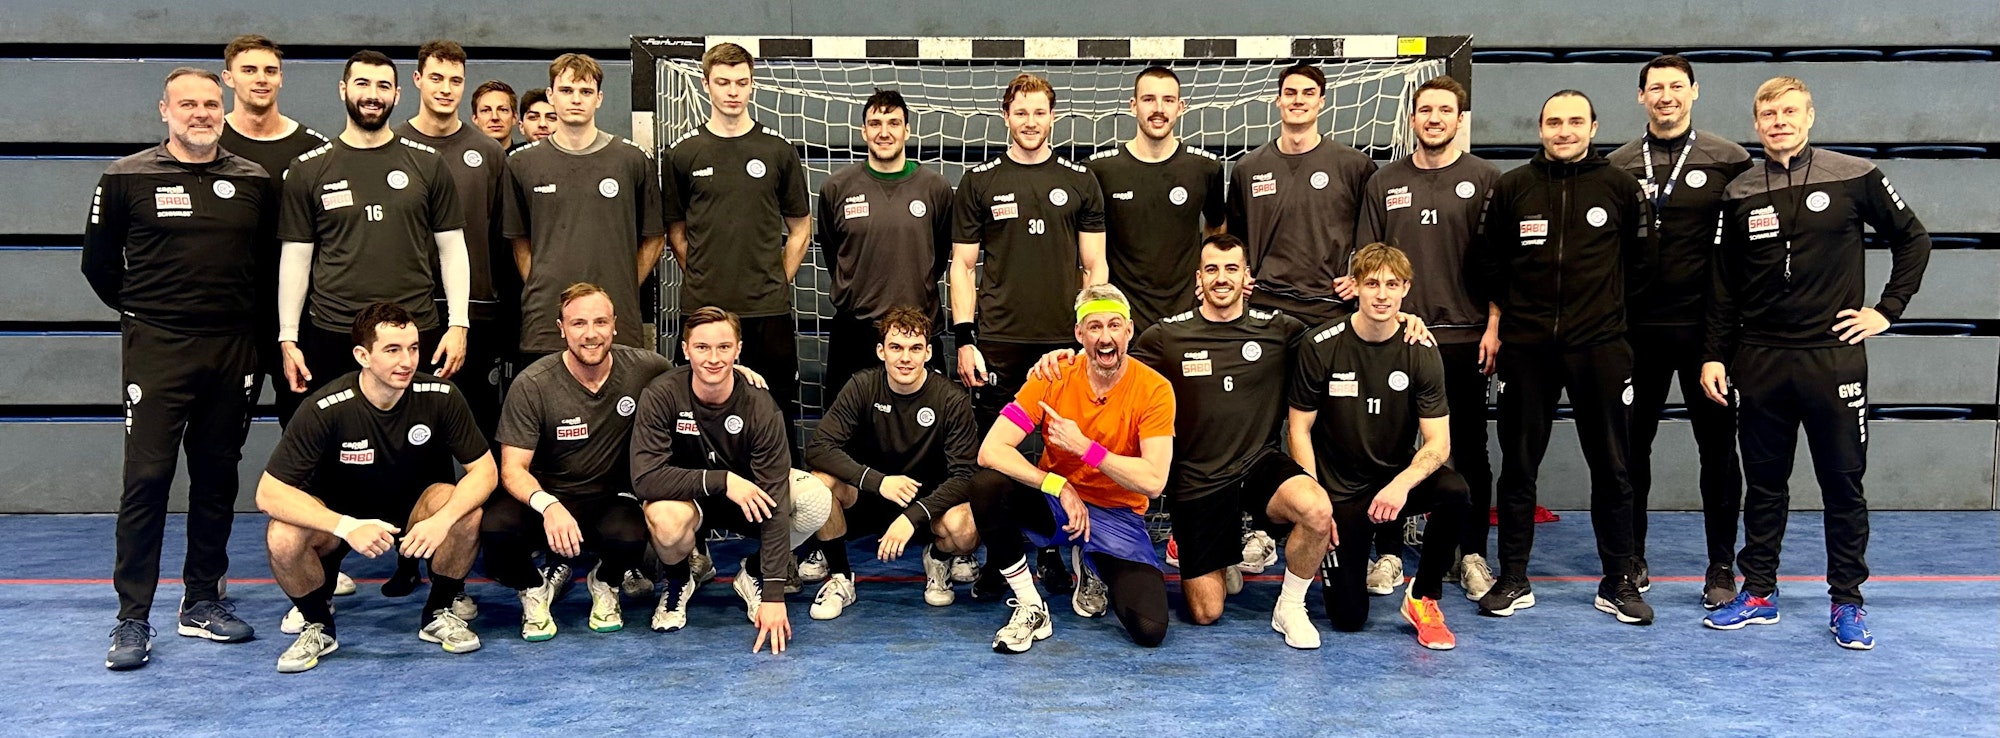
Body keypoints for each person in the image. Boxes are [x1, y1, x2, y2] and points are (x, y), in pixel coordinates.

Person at [1700, 76, 1930, 650]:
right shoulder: (1740, 190)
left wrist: (1886, 310)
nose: (1779, 121)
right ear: (1756, 123)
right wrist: (1713, 354)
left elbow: (1913, 238)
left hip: (1833, 361)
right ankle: (1758, 593)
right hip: (1761, 360)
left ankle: (1847, 601)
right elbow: (1724, 286)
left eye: (1789, 111)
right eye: (1768, 113)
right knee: (1765, 485)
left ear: (1810, 117)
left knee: (1843, 484)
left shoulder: (1854, 176)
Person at [1032, 235, 1346, 649]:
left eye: (1232, 268)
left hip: (1259, 465)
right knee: (1206, 612)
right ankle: (1215, 554)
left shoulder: (1278, 329)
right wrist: (1061, 356)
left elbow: (1342, 336)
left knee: (1316, 507)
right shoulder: (1169, 336)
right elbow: (1110, 356)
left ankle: (1290, 606)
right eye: (1212, 269)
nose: (1222, 278)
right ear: (1199, 278)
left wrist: (1406, 321)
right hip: (1199, 479)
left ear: (1246, 277)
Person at [87, 67, 276, 670]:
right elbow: (98, 266)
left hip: (233, 350)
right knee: (146, 479)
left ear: (222, 109)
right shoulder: (125, 178)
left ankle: (201, 601)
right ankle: (132, 618)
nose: (201, 113)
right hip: (158, 349)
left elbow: (270, 266)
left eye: (209, 104)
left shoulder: (253, 180)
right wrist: (153, 314)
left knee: (218, 477)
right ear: (163, 109)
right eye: (187, 104)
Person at [1468, 90, 1653, 625]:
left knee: (1614, 466)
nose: (1564, 130)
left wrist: (1605, 316)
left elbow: (1644, 265)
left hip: (1601, 348)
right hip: (1527, 350)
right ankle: (1514, 577)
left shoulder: (1620, 187)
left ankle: (1618, 580)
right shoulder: (1513, 188)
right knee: (1520, 466)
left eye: (1575, 121)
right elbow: (1484, 263)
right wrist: (1516, 316)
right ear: (1541, 128)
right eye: (1553, 122)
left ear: (1593, 127)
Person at [257, 302, 497, 673]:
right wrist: (346, 526)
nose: (406, 361)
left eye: (413, 348)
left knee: (464, 509)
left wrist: (442, 520)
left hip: (415, 515)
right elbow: (269, 493)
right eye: (392, 350)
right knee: (283, 534)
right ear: (362, 355)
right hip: (340, 522)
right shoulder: (324, 407)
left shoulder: (442, 396)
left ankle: (439, 611)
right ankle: (317, 623)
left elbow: (485, 471)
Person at [1605, 55, 1752, 606]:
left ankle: (1720, 567)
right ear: (1640, 97)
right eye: (1654, 88)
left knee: (1717, 450)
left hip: (1707, 335)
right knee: (1630, 452)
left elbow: (1744, 252)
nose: (1665, 96)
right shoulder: (1618, 165)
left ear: (1694, 92)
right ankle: (1631, 558)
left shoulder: (1729, 160)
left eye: (1675, 86)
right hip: (1635, 334)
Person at [1355, 75, 1502, 601]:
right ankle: (1390, 554)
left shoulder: (1486, 179)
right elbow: (1368, 263)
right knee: (1390, 446)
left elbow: (1500, 264)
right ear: (1412, 119)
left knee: (1468, 448)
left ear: (1460, 120)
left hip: (1465, 336)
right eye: (1425, 110)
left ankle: (1473, 554)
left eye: (1445, 110)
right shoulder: (1383, 182)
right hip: (1396, 336)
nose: (1434, 118)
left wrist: (1493, 324)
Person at [969, 284, 1174, 653]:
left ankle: (1090, 559)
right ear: (1079, 334)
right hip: (1058, 504)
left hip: (1118, 513)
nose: (1106, 337)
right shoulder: (1053, 374)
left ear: (1129, 330)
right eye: (1094, 327)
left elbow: (1154, 481)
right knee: (987, 486)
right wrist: (1057, 485)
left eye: (1114, 325)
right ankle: (1031, 604)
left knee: (1150, 629)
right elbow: (991, 450)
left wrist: (1086, 449)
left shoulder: (1154, 389)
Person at [1287, 243, 1469, 651]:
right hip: (1341, 497)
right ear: (1354, 287)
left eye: (1391, 284)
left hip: (1391, 488)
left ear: (1405, 288)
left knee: (1454, 491)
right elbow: (1298, 430)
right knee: (1349, 619)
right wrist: (1318, 504)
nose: (1382, 294)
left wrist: (1402, 484)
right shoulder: (1320, 346)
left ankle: (1423, 597)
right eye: (1371, 284)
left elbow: (1439, 443)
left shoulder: (1420, 350)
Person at [628, 307, 833, 651]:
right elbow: (646, 479)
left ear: (738, 350)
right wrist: (722, 480)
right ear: (685, 349)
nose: (713, 358)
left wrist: (772, 593)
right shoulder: (662, 394)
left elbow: (776, 502)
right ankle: (679, 581)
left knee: (815, 499)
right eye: (702, 347)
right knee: (663, 516)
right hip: (689, 498)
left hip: (750, 502)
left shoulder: (760, 406)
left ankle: (751, 571)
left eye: (724, 347)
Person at [275, 50, 471, 406]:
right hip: (335, 331)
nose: (372, 94)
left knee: (417, 444)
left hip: (414, 330)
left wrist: (459, 324)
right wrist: (288, 336)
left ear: (397, 95)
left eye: (383, 86)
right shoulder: (309, 169)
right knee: (334, 448)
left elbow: (453, 248)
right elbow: (296, 258)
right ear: (342, 89)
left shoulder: (428, 163)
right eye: (362, 83)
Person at [484, 283, 671, 640]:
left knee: (631, 536)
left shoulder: (646, 368)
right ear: (561, 328)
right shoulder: (533, 384)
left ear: (615, 324)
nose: (590, 334)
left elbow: (693, 379)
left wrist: (737, 374)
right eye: (578, 323)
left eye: (600, 322)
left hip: (610, 498)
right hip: (548, 498)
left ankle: (603, 582)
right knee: (496, 532)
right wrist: (548, 505)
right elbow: (512, 469)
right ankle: (533, 588)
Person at [664, 42, 811, 451]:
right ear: (706, 84)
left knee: (773, 415)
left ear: (752, 86)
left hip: (768, 309)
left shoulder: (778, 150)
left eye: (742, 82)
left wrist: (776, 279)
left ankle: (779, 503)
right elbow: (675, 230)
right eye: (723, 82)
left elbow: (800, 228)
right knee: (694, 421)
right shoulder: (681, 153)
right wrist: (703, 272)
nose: (733, 91)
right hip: (703, 307)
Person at [800, 306, 981, 618]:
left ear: (928, 352)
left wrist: (912, 516)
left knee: (965, 528)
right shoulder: (862, 386)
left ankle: (937, 557)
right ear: (881, 351)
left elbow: (964, 476)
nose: (905, 358)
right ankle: (841, 578)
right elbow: (818, 448)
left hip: (927, 505)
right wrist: (878, 481)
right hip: (870, 495)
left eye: (914, 349)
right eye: (896, 348)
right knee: (819, 482)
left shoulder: (951, 399)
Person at [502, 53, 665, 367]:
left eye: (586, 92)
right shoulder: (521, 163)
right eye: (566, 91)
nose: (576, 99)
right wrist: (542, 282)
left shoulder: (632, 160)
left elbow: (655, 238)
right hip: (545, 324)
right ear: (551, 96)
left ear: (600, 99)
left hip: (617, 322)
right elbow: (519, 240)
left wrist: (624, 284)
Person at [216, 34, 330, 428]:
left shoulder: (315, 150)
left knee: (305, 434)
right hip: (230, 318)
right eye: (249, 70)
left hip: (301, 320)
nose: (260, 79)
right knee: (220, 443)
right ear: (228, 78)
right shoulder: (206, 144)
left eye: (270, 70)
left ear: (281, 78)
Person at [815, 88, 955, 404]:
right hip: (855, 333)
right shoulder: (836, 188)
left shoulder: (936, 188)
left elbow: (940, 255)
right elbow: (833, 254)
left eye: (893, 123)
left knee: (924, 433)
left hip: (918, 330)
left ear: (907, 129)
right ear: (863, 130)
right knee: (847, 435)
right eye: (875, 123)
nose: (884, 132)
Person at [1227, 62, 1377, 325]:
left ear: (1321, 102)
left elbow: (1375, 235)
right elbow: (1235, 240)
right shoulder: (1248, 168)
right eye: (1290, 93)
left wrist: (1362, 278)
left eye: (1308, 93)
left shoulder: (1355, 166)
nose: (1298, 100)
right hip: (1265, 303)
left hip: (1329, 305)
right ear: (1278, 100)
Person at [1085, 66, 1225, 334]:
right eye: (1149, 99)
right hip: (1122, 321)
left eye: (1168, 100)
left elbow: (1216, 227)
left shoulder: (1205, 167)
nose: (1158, 109)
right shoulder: (1100, 170)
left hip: (1188, 316)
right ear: (1133, 105)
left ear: (1181, 107)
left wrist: (1206, 273)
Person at [471, 80, 518, 148]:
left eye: (503, 110)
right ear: (475, 118)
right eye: (486, 110)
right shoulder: (461, 157)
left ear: (514, 117)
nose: (494, 117)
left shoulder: (528, 157)